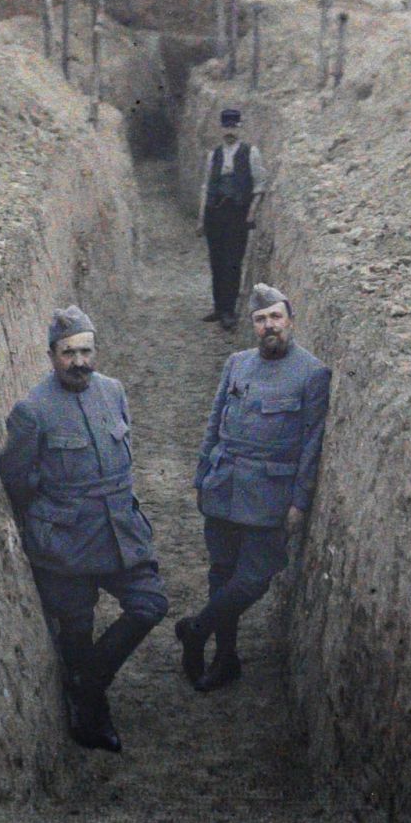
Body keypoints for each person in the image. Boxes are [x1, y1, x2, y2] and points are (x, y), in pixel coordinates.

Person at [0, 306, 168, 752]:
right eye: (68, 353)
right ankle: (91, 716)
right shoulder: (33, 411)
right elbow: (16, 478)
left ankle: (86, 683)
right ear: (52, 356)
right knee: (76, 628)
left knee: (150, 604)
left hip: (119, 534)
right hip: (66, 544)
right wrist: (53, 514)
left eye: (86, 351)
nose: (79, 362)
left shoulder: (113, 391)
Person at [173, 284, 329, 693]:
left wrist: (299, 501)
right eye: (260, 320)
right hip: (224, 483)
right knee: (222, 571)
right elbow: (213, 423)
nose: (269, 326)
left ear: (290, 320)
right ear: (253, 326)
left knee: (254, 578)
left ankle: (197, 629)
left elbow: (312, 443)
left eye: (276, 317)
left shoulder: (312, 373)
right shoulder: (237, 364)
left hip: (269, 494)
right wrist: (201, 475)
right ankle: (226, 658)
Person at [198, 109, 267, 330]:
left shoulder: (251, 153)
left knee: (233, 262)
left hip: (237, 214)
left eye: (233, 127)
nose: (229, 131)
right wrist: (202, 218)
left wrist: (251, 212)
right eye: (226, 127)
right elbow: (207, 186)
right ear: (221, 129)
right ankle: (219, 307)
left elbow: (260, 185)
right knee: (216, 261)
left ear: (240, 128)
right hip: (215, 213)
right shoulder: (214, 155)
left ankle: (229, 311)